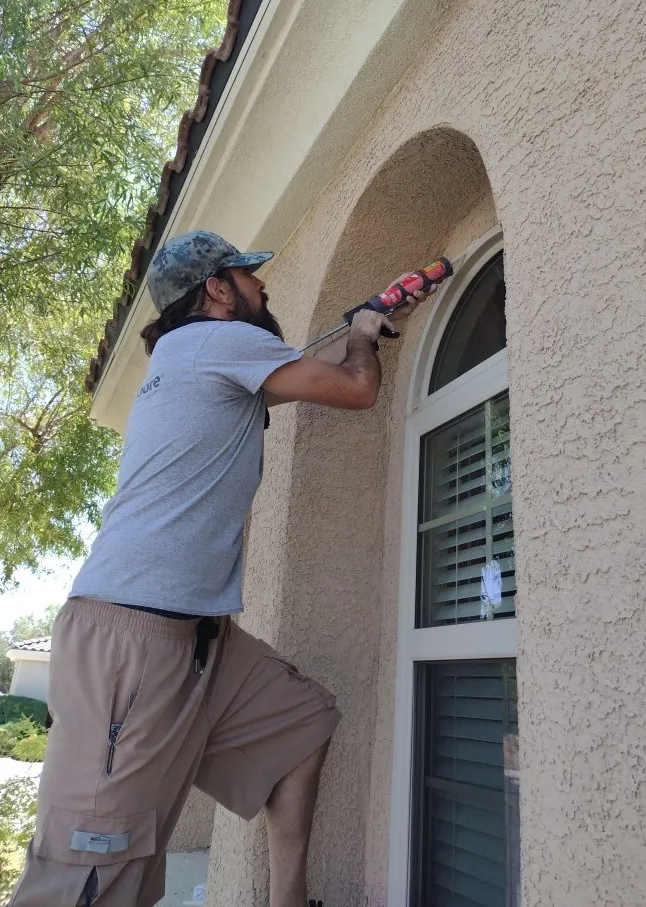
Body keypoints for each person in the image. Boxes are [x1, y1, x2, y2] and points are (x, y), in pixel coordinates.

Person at [7, 230, 434, 907]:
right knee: (93, 867)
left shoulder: (198, 360)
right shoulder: (213, 344)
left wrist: (359, 327)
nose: (263, 287)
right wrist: (362, 335)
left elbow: (298, 374)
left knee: (302, 723)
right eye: (248, 275)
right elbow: (355, 389)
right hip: (131, 640)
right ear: (216, 290)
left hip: (198, 638)